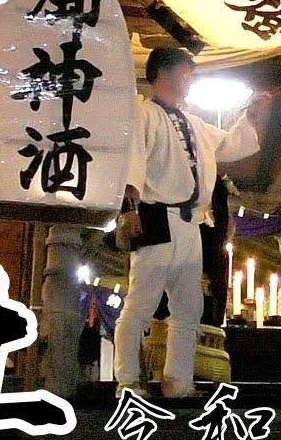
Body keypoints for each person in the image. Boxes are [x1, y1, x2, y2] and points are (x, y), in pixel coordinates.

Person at [115, 47, 270, 398]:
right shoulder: (145, 115)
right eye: (186, 73)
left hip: (192, 222)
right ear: (166, 73)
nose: (190, 80)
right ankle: (127, 382)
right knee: (140, 305)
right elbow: (133, 164)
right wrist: (130, 209)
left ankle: (178, 382)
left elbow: (229, 145)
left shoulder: (193, 122)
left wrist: (252, 114)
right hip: (157, 215)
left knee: (188, 308)